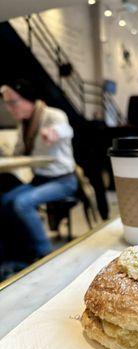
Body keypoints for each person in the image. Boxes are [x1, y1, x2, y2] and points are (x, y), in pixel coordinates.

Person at [0, 79, 77, 262]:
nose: (9, 108)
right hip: (40, 179)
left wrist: (54, 133)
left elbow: (66, 129)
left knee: (22, 203)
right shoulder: (24, 124)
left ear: (27, 99)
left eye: (12, 102)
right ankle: (20, 250)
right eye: (6, 104)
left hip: (63, 181)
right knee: (5, 199)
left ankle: (44, 254)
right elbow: (17, 153)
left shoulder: (52, 115)